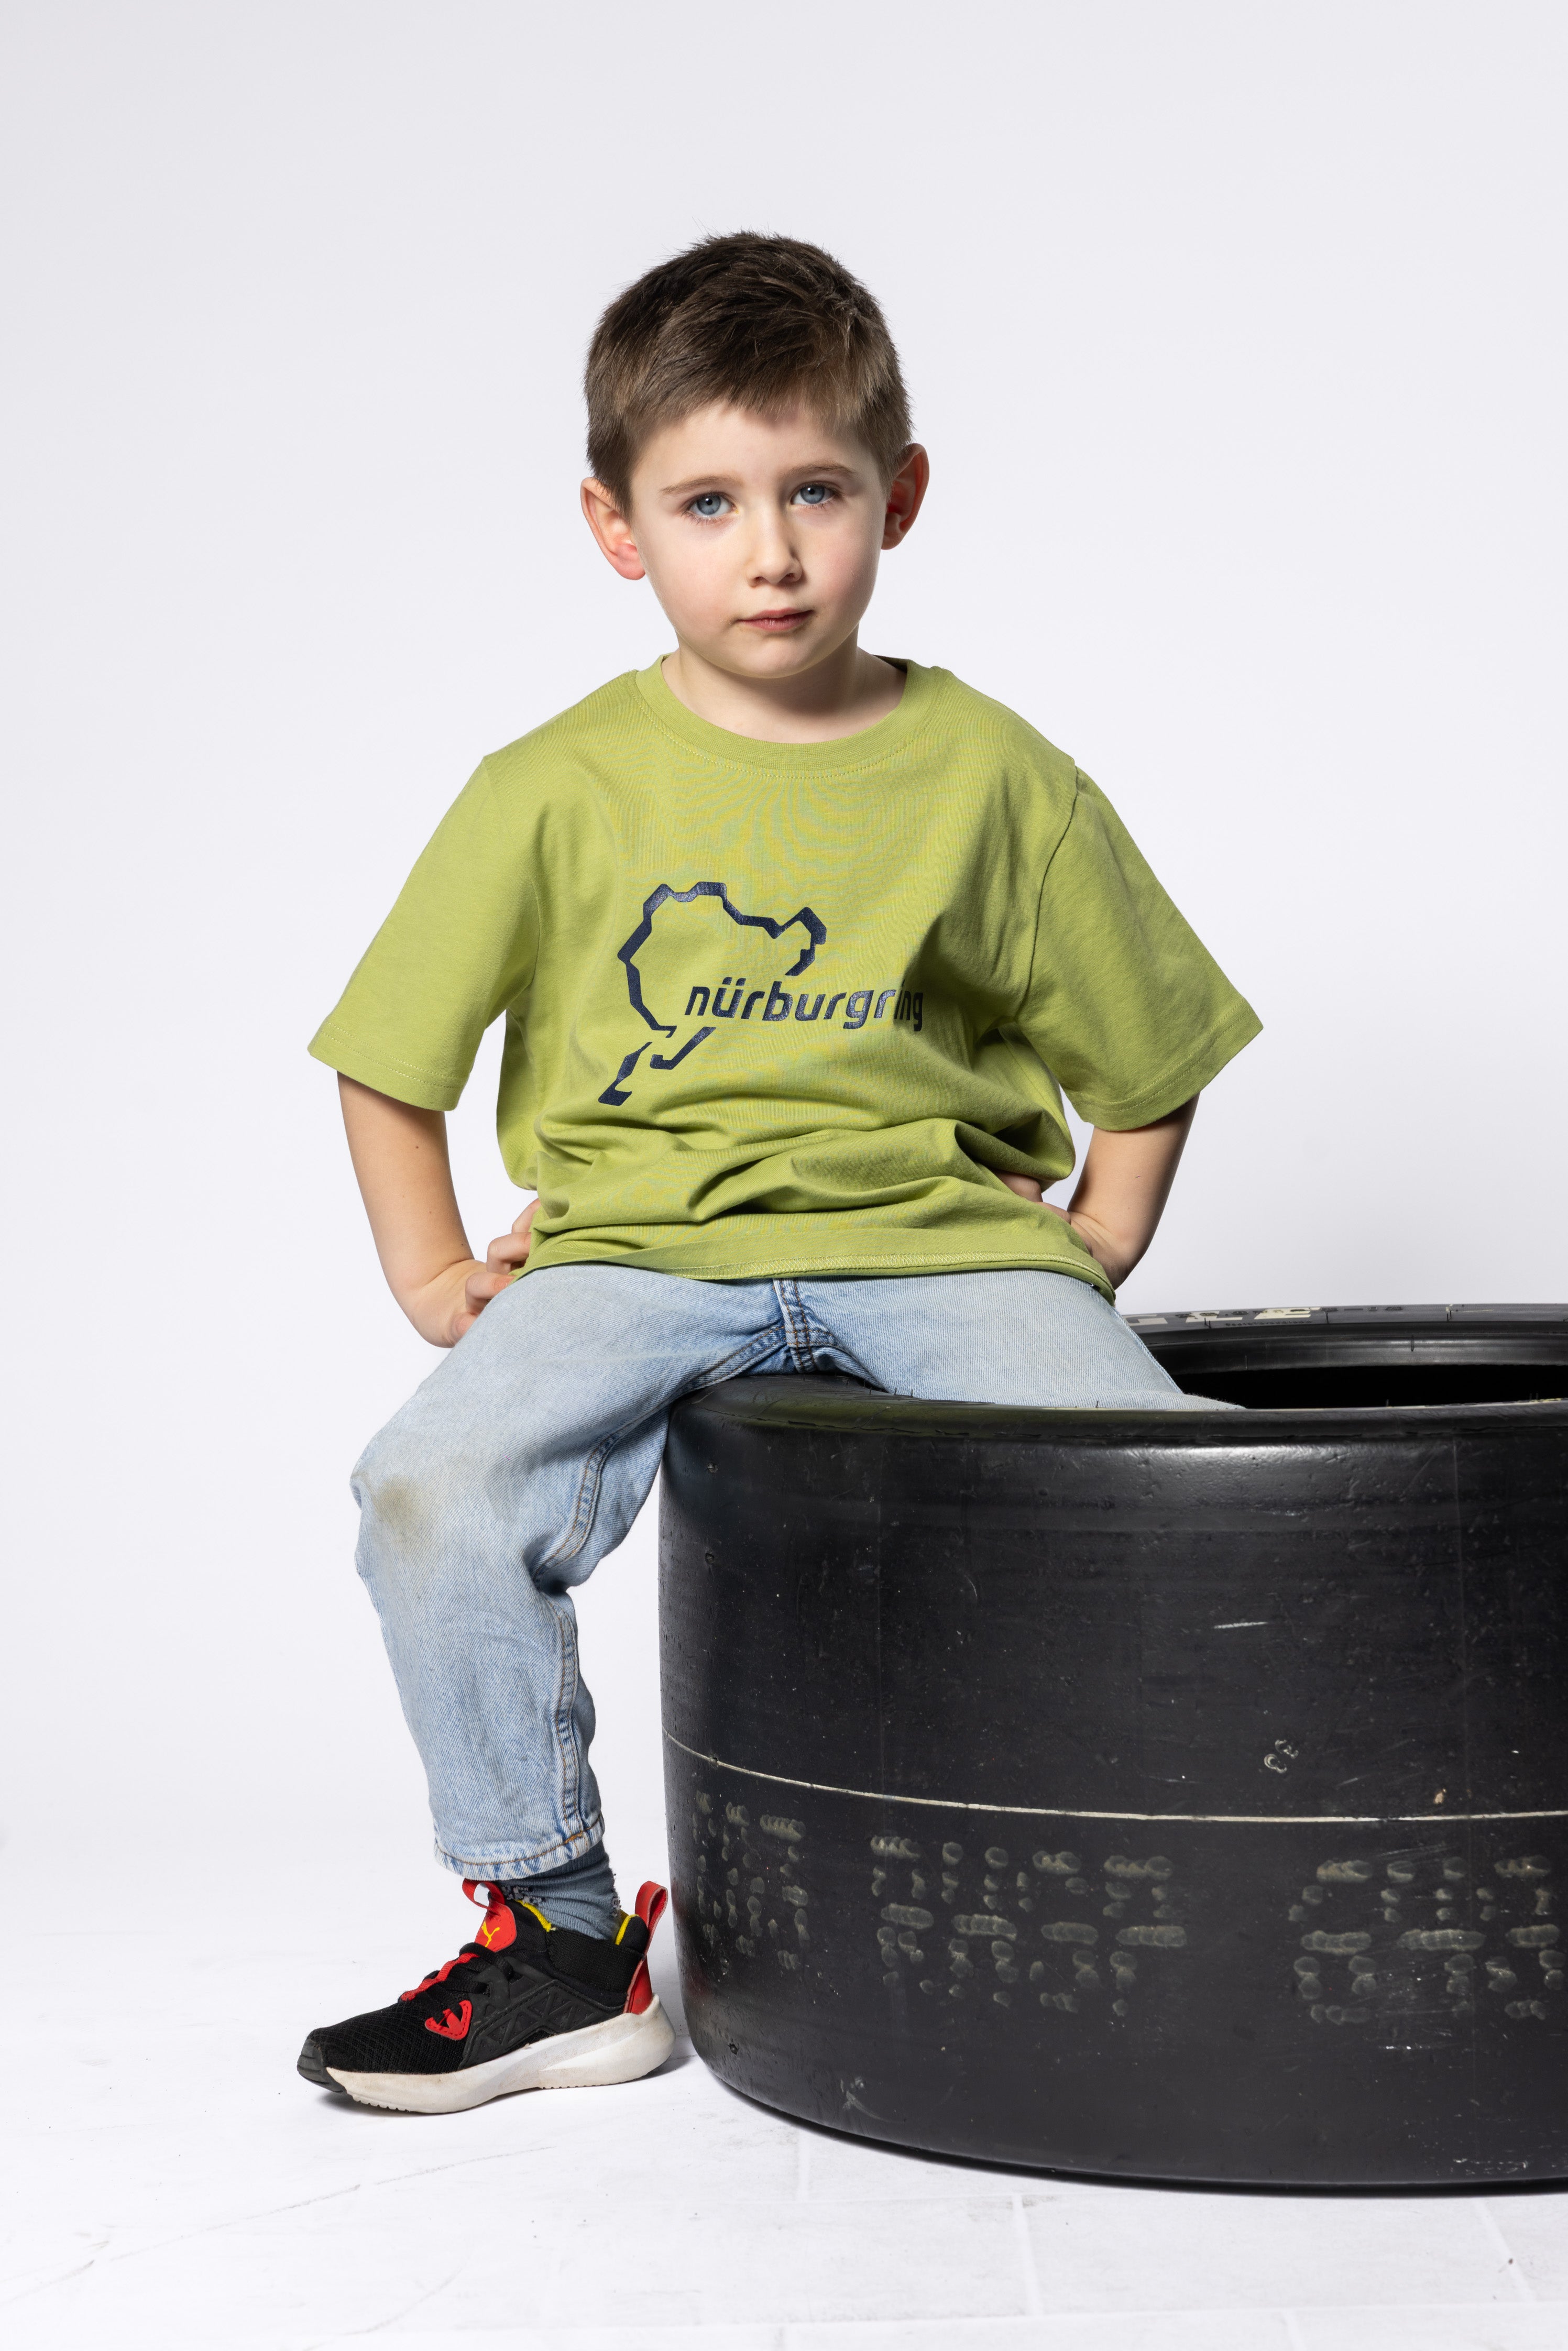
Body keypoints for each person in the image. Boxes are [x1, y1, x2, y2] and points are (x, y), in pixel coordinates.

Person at [297, 232, 1260, 2115]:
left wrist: (1096, 1237)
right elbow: (386, 1061)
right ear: (615, 525)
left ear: (898, 494)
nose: (771, 553)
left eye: (815, 491)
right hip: (633, 1252)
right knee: (429, 1483)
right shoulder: (549, 788)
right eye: (708, 503)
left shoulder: (992, 774)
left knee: (1158, 1498)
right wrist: (430, 1279)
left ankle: (1189, 1912)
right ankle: (559, 1946)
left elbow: (1150, 1044)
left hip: (933, 1241)